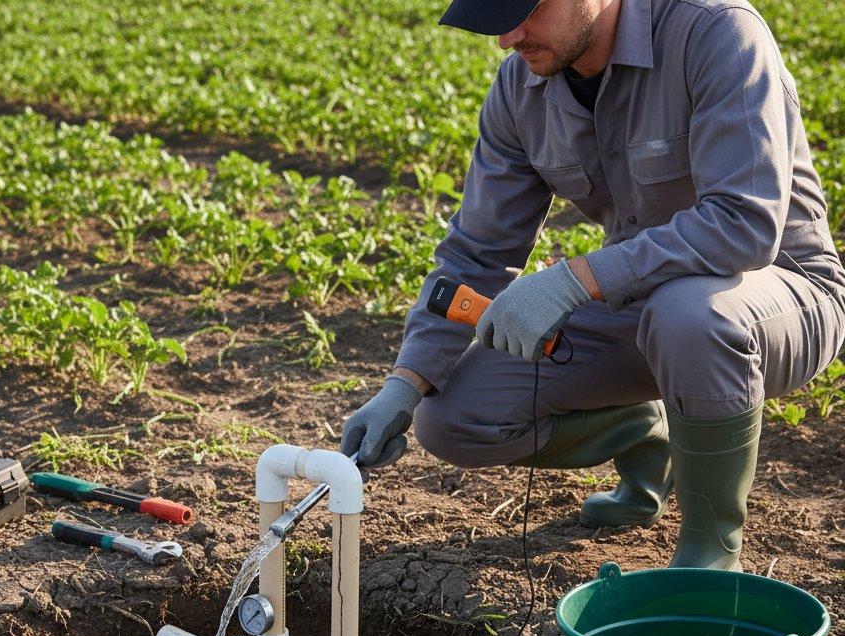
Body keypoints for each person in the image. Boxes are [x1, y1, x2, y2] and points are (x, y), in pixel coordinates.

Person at [341, 0, 845, 570]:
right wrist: (405, 383)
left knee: (690, 314)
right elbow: (478, 250)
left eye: (523, 11)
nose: (507, 38)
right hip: (642, 303)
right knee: (454, 418)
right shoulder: (521, 88)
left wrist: (575, 279)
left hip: (776, 296)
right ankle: (645, 429)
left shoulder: (716, 33)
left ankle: (710, 548)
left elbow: (744, 224)